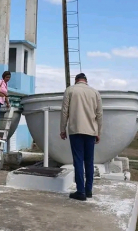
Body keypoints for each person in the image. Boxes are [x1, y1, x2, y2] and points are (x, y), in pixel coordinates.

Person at [60, 73, 103, 201]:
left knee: (78, 160)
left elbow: (64, 111)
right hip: (91, 132)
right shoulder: (95, 93)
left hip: (75, 130)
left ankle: (80, 191)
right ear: (86, 81)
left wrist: (62, 129)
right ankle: (89, 190)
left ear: (76, 80)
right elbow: (99, 114)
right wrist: (98, 132)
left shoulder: (70, 90)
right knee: (89, 161)